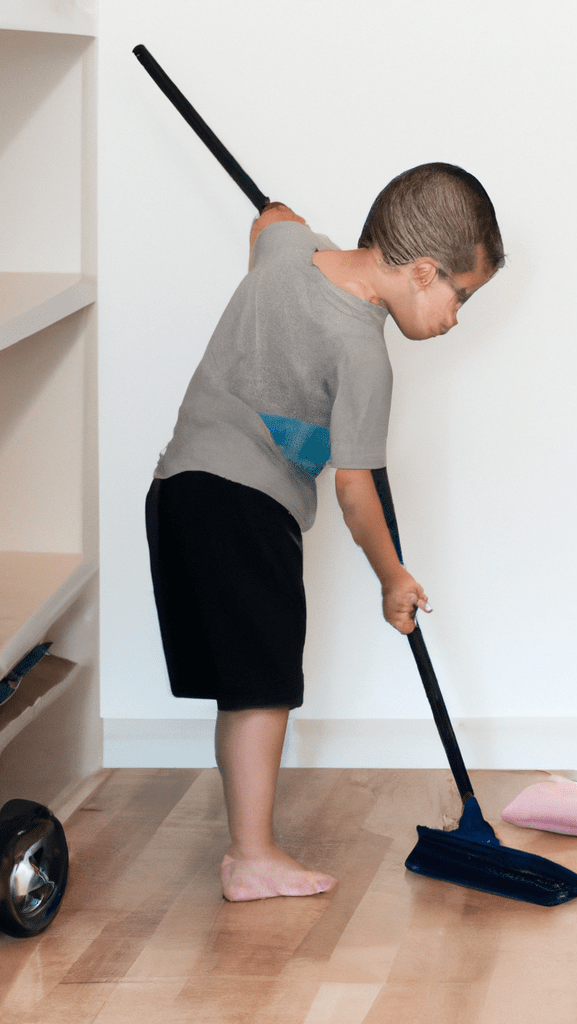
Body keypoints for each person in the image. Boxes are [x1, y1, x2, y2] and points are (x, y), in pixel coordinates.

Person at [145, 163, 504, 901]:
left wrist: (279, 218)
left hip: (177, 492)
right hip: (247, 508)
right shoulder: (364, 351)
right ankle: (252, 856)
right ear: (424, 271)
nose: (455, 317)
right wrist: (392, 575)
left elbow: (270, 221)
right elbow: (353, 486)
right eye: (459, 297)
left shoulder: (289, 254)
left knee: (245, 690)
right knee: (265, 689)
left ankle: (248, 848)